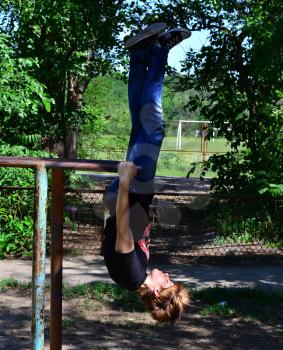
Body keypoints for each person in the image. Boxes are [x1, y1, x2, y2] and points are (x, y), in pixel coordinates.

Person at [103, 23, 191, 323]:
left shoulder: (132, 274)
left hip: (132, 189)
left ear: (156, 292)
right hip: (128, 192)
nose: (168, 275)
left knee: (154, 128)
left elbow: (123, 232)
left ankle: (160, 50)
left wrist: (126, 183)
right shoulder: (135, 276)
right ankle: (140, 54)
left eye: (168, 282)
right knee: (142, 124)